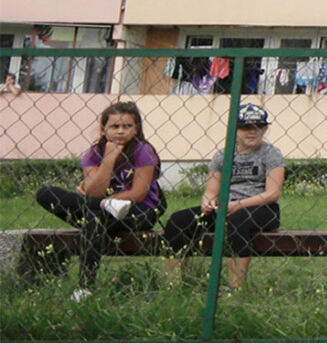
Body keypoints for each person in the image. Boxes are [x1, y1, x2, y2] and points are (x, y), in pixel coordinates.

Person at [34, 101, 165, 300]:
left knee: (93, 216)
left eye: (127, 126)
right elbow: (96, 192)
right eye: (114, 126)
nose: (121, 131)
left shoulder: (143, 150)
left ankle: (86, 287)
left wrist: (98, 198)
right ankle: (105, 206)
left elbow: (138, 193)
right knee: (45, 193)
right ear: (104, 129)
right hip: (102, 209)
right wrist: (109, 159)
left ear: (136, 128)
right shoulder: (94, 153)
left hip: (138, 210)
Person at [163, 103, 283, 293]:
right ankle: (174, 284)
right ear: (235, 129)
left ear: (264, 129)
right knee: (178, 221)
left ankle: (236, 289)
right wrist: (208, 202)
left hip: (261, 208)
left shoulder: (271, 154)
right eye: (245, 127)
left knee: (235, 223)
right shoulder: (223, 155)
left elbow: (272, 193)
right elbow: (211, 189)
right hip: (225, 207)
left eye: (257, 127)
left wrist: (239, 205)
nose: (251, 132)